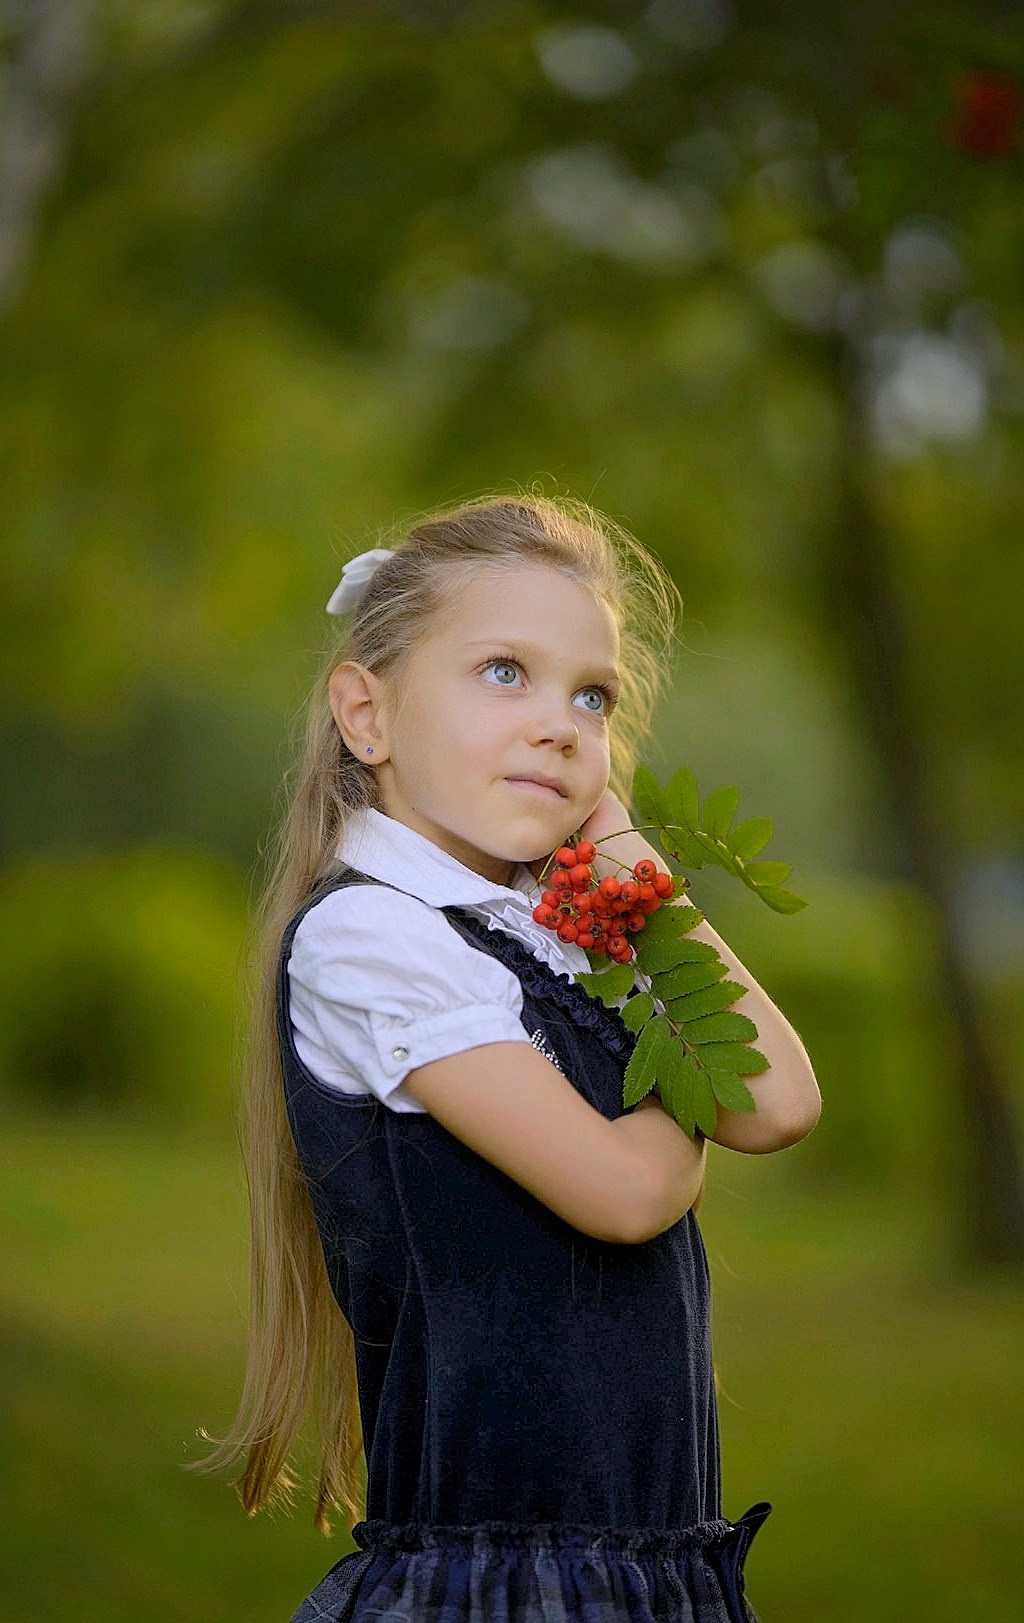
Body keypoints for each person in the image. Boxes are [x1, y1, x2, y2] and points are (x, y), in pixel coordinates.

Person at [198, 491, 821, 1621]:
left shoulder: (557, 926)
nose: (561, 724)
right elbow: (628, 1191)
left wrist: (627, 866)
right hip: (507, 1579)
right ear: (366, 713)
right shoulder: (372, 935)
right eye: (503, 672)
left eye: (592, 697)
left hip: (646, 1563)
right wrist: (674, 1068)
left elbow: (776, 1102)